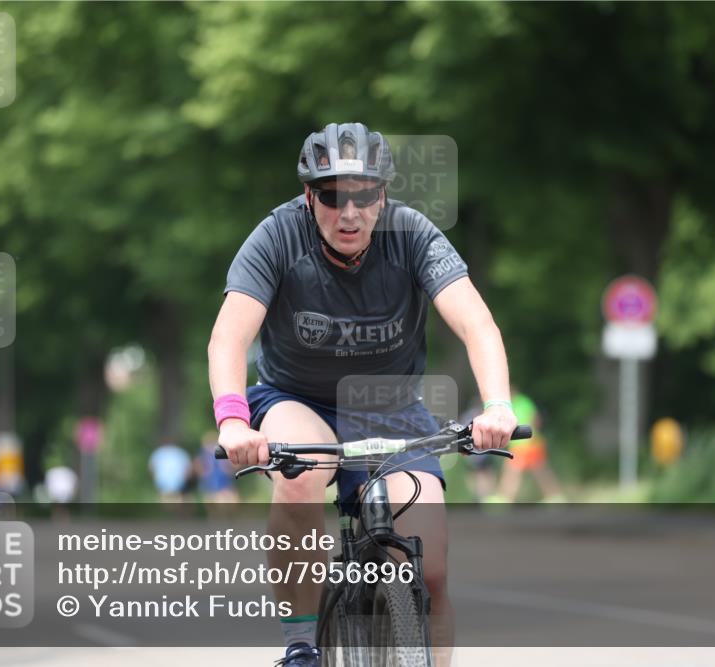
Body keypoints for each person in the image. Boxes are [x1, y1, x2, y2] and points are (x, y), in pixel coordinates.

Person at [208, 122, 518, 666]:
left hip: (390, 407)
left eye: (364, 196)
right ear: (309, 196)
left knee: (431, 571)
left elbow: (478, 325)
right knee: (299, 477)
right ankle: (302, 644)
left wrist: (497, 406)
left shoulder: (413, 234)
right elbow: (228, 337)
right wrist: (233, 421)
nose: (348, 213)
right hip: (295, 399)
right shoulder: (277, 236)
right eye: (332, 197)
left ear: (383, 195)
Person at [494, 390, 564, 503]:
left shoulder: (521, 403)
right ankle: (554, 496)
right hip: (529, 443)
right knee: (540, 471)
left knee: (512, 473)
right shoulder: (517, 404)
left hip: (525, 445)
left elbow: (535, 420)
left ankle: (504, 499)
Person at [194, 431, 239, 504]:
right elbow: (197, 466)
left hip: (225, 484)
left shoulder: (223, 452)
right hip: (209, 485)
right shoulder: (203, 454)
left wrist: (228, 468)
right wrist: (204, 472)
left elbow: (235, 465)